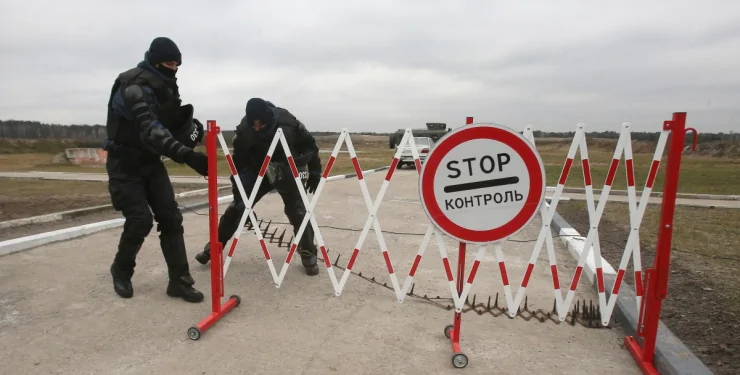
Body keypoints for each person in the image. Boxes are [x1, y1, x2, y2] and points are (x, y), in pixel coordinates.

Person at [104, 37, 209, 303]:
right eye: (168, 63)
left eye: (177, 64)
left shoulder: (166, 87)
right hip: (124, 164)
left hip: (150, 163)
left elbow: (171, 123)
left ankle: (179, 281)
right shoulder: (132, 87)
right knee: (140, 220)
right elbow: (151, 130)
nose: (173, 68)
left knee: (171, 218)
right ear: (154, 60)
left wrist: (191, 131)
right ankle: (121, 270)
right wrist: (187, 156)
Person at [193, 98, 323, 276]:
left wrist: (315, 171)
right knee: (236, 209)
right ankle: (214, 248)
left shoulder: (288, 122)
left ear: (268, 119)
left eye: (261, 125)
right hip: (258, 172)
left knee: (297, 210)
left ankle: (308, 252)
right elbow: (239, 164)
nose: (257, 128)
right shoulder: (245, 130)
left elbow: (310, 146)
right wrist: (241, 196)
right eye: (253, 124)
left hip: (286, 169)